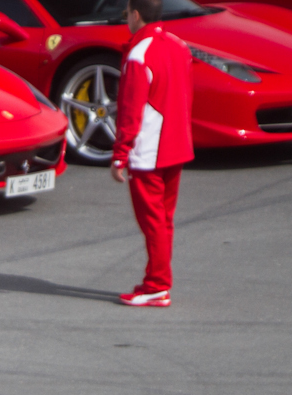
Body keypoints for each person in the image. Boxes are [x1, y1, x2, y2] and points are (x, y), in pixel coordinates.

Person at [109, 0, 194, 307]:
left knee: (153, 221)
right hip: (177, 145)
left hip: (149, 151)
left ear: (136, 14)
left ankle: (157, 285)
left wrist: (120, 154)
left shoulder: (138, 54)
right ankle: (157, 280)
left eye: (127, 13)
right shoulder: (179, 45)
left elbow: (130, 111)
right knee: (164, 219)